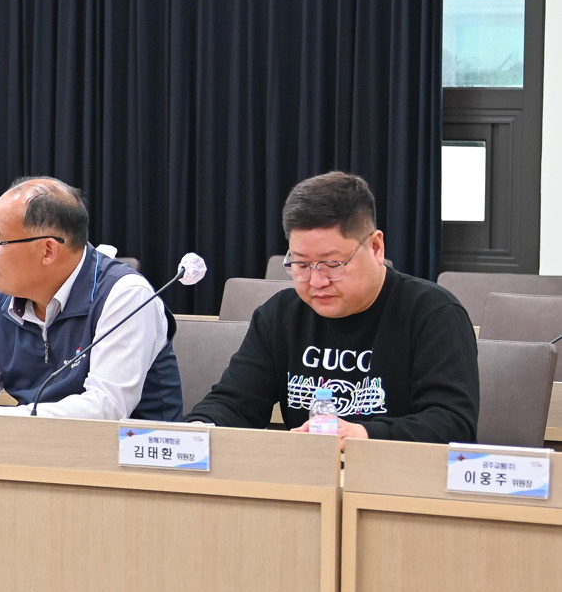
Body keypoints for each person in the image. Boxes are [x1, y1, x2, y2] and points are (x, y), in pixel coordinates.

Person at [188, 171, 478, 443]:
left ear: (376, 248)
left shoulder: (433, 313)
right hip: (309, 475)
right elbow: (234, 403)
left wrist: (361, 435)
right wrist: (199, 430)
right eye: (301, 264)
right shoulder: (280, 316)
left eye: (332, 264)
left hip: (398, 475)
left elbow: (452, 424)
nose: (317, 281)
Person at [0, 177, 182, 418]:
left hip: (132, 454)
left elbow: (106, 407)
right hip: (32, 450)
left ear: (48, 251)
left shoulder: (125, 297)